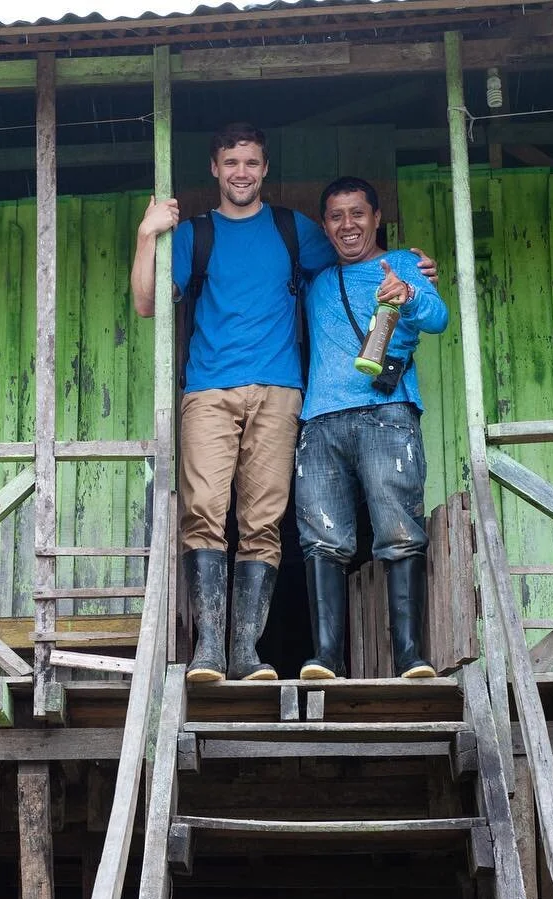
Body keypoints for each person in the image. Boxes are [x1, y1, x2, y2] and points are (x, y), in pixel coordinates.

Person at [132, 123, 436, 684]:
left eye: (250, 162)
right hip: (208, 390)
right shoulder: (196, 235)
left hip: (280, 391)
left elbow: (358, 254)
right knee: (202, 512)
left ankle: (247, 653)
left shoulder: (293, 230)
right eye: (231, 162)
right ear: (215, 169)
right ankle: (207, 653)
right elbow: (148, 303)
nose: (241, 172)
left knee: (264, 521)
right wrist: (148, 234)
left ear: (264, 168)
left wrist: (410, 273)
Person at [295, 176, 448, 681]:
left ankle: (409, 656)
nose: (348, 225)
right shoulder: (317, 279)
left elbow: (439, 319)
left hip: (389, 414)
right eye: (336, 216)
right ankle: (326, 659)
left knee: (399, 533)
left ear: (377, 217)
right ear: (324, 226)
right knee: (323, 538)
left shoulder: (404, 264)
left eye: (357, 213)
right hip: (320, 421)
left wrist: (410, 293)